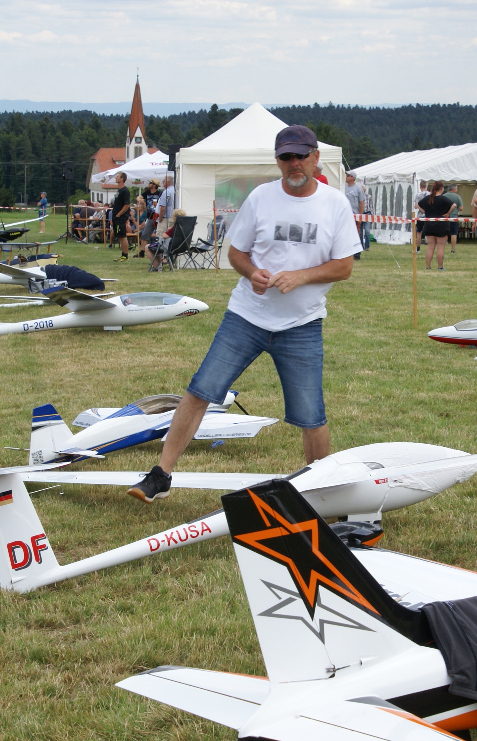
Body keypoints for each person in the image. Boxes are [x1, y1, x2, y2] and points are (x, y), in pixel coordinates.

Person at [126, 124, 361, 503]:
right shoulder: (261, 197)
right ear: (278, 161)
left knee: (310, 414)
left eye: (301, 156)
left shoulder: (335, 204)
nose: (294, 163)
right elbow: (236, 253)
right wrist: (252, 273)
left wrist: (300, 276)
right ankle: (160, 475)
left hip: (301, 325)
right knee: (200, 391)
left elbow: (344, 266)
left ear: (316, 158)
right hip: (246, 318)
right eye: (286, 157)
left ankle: (322, 493)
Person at [417, 181, 453, 270]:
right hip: (441, 225)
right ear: (441, 189)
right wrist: (448, 213)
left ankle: (428, 266)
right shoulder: (443, 199)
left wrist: (425, 212)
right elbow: (454, 205)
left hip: (429, 224)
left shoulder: (427, 198)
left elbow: (418, 204)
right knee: (440, 247)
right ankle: (440, 267)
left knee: (430, 247)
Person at [344, 171, 367, 258]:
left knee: (356, 234)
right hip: (345, 215)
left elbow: (362, 202)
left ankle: (357, 253)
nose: (346, 176)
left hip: (355, 215)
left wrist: (360, 216)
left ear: (353, 178)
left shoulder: (358, 188)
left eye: (348, 175)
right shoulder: (343, 187)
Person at [111, 172, 132, 260]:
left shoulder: (125, 190)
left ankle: (125, 255)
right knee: (119, 235)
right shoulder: (119, 190)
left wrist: (119, 214)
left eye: (118, 177)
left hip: (121, 217)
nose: (116, 178)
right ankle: (122, 254)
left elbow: (127, 205)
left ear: (122, 179)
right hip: (116, 216)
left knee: (122, 236)